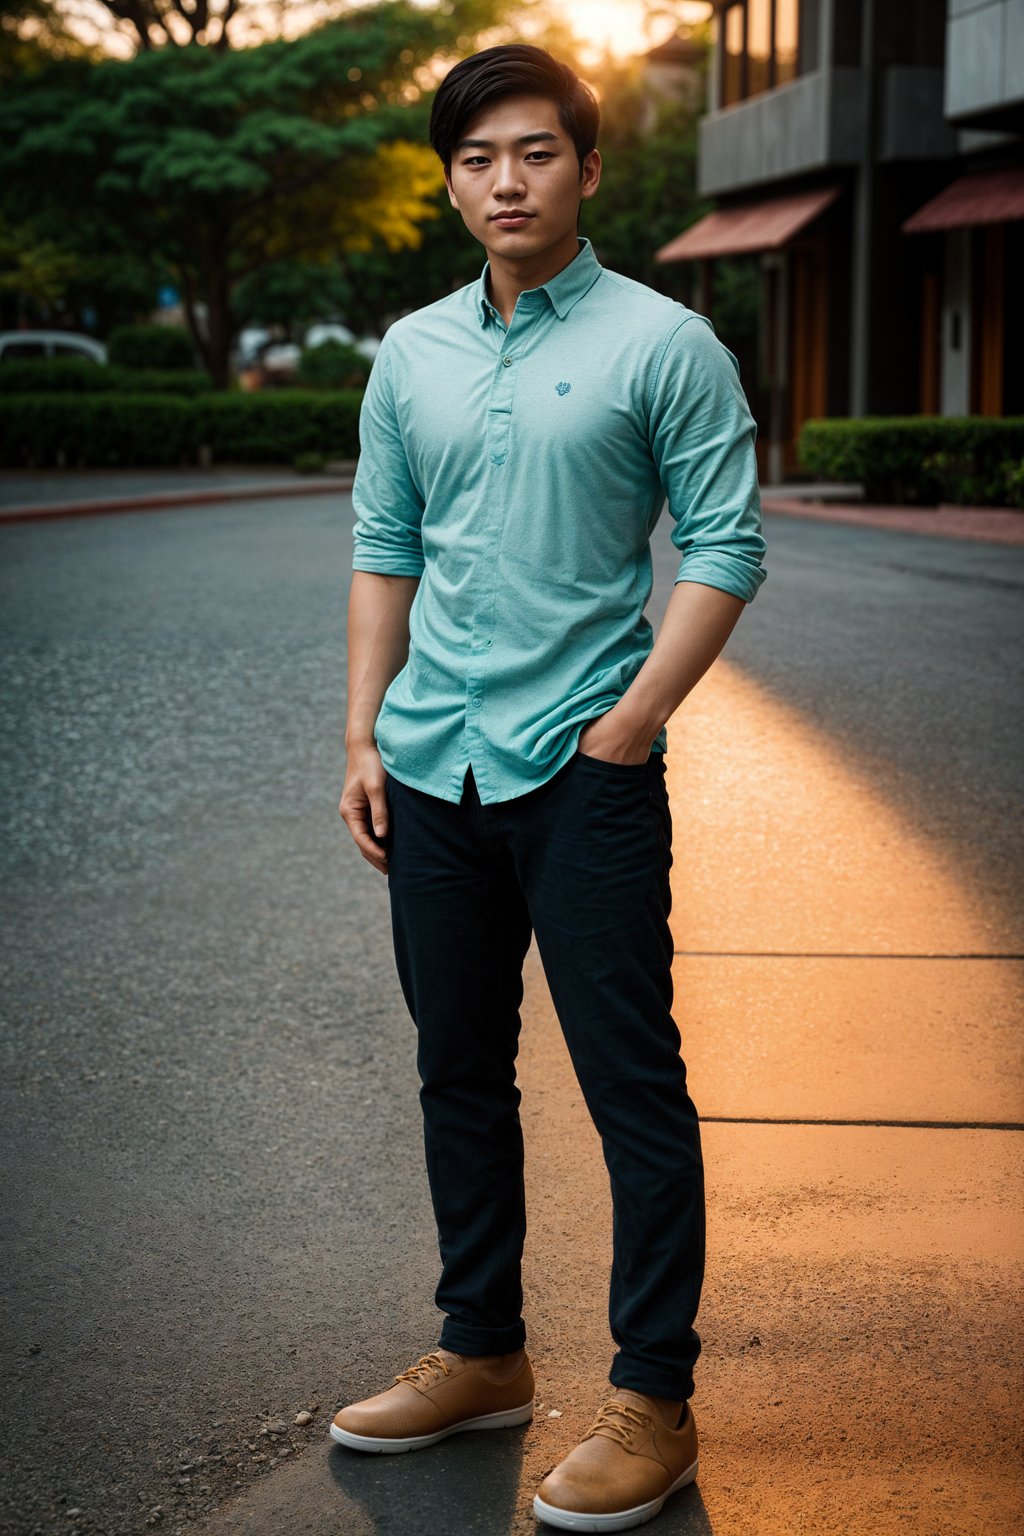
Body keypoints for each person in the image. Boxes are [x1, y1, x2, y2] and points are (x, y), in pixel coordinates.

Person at [333, 41, 767, 1533]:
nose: (503, 181)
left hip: (585, 762)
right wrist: (359, 734)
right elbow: (386, 543)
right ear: (451, 179)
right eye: (475, 159)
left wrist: (637, 720)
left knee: (627, 1079)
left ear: (587, 168)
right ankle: (484, 1353)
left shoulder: (665, 342)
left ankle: (655, 1390)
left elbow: (724, 547)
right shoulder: (413, 352)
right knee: (456, 1068)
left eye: (532, 153)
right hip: (432, 761)